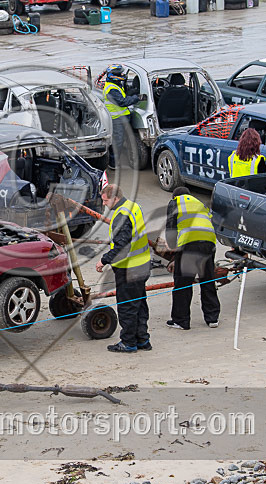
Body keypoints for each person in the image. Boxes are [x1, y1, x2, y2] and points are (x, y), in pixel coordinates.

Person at [95, 184, 151, 353]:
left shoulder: (121, 215)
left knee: (127, 306)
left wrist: (103, 260)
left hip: (129, 268)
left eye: (105, 201)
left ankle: (128, 342)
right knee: (139, 304)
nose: (104, 204)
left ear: (115, 199)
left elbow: (122, 245)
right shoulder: (133, 206)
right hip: (142, 264)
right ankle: (142, 340)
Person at [164, 187, 220, 331]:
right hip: (209, 243)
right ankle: (212, 318)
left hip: (189, 245)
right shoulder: (200, 204)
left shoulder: (175, 202)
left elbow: (171, 228)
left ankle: (181, 320)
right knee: (207, 280)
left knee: (183, 283)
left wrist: (172, 250)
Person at [103, 64, 146, 169]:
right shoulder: (111, 89)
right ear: (114, 75)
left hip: (122, 117)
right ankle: (113, 163)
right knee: (118, 141)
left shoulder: (115, 85)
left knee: (121, 140)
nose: (123, 75)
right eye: (120, 74)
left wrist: (133, 92)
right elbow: (122, 102)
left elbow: (124, 96)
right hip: (117, 119)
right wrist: (137, 98)